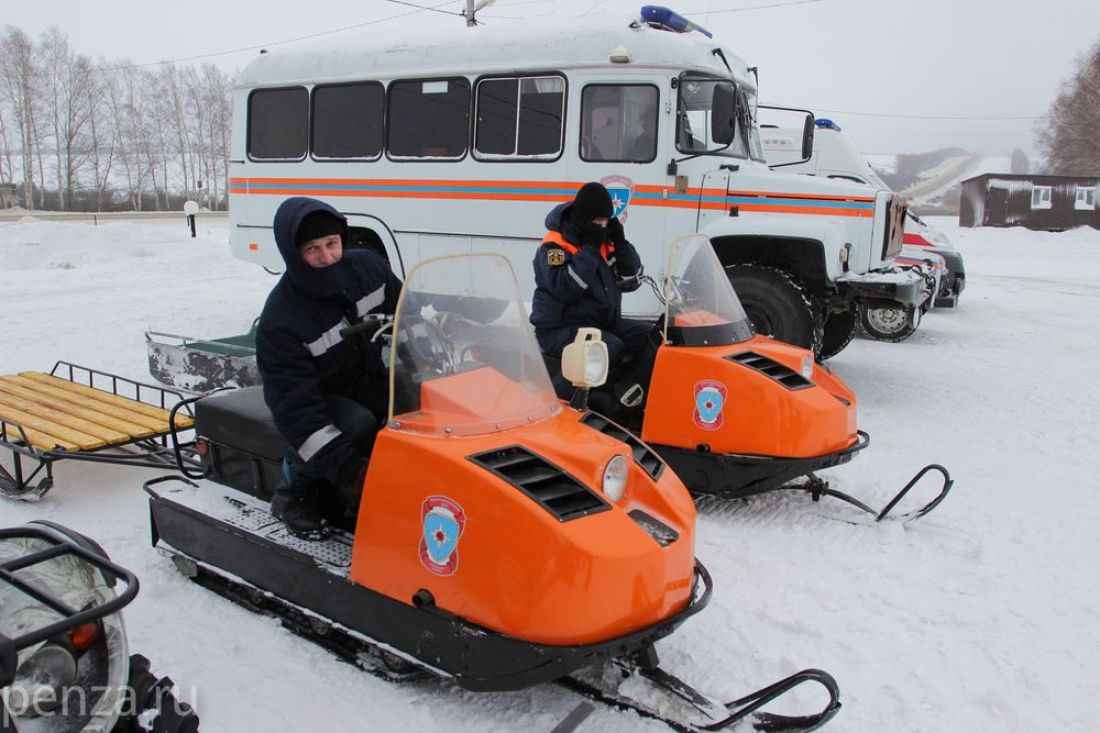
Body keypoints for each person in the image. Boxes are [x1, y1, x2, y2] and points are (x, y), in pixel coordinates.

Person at [256, 197, 402, 540]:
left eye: (332, 244)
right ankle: (292, 493)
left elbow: (406, 310)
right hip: (318, 400)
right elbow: (297, 412)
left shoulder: (369, 268)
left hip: (365, 377)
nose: (326, 257)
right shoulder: (282, 319)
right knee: (357, 421)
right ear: (293, 254)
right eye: (312, 249)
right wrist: (354, 473)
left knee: (417, 395)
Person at [530, 182, 651, 399]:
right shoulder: (554, 246)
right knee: (608, 348)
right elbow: (565, 287)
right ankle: (556, 401)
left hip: (599, 323)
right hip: (559, 329)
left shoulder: (602, 240)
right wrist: (590, 250)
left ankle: (624, 395)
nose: (602, 226)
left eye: (605, 221)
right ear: (583, 219)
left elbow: (631, 276)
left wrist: (621, 243)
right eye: (597, 221)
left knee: (652, 336)